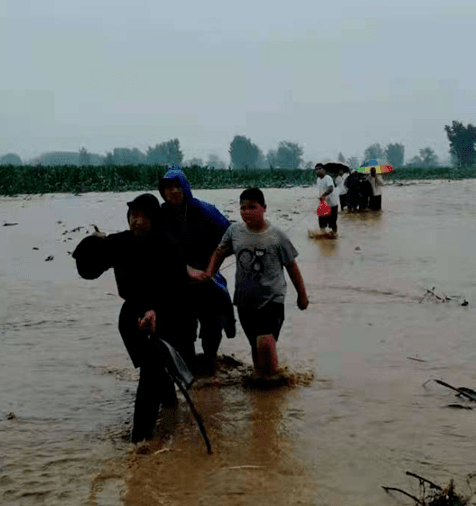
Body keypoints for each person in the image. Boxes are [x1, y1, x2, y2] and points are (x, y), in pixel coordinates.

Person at [72, 193, 192, 442]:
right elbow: (89, 270)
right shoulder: (118, 243)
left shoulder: (168, 246)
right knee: (156, 371)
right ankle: (169, 407)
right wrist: (89, 246)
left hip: (166, 314)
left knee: (151, 372)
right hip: (131, 316)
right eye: (133, 215)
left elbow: (178, 289)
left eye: (143, 216)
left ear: (154, 219)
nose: (137, 221)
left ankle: (141, 442)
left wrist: (155, 311)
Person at [202, 188, 309, 379]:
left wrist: (302, 294)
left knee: (265, 343)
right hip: (245, 301)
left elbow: (291, 266)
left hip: (272, 299)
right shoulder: (234, 231)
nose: (247, 212)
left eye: (252, 207)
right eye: (243, 208)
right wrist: (210, 273)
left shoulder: (277, 236)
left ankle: (272, 394)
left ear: (264, 208)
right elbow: (219, 252)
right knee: (256, 345)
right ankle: (262, 385)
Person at [158, 166, 235, 374]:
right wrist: (182, 269)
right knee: (182, 331)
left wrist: (210, 269)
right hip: (176, 283)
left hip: (206, 278)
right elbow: (153, 249)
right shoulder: (159, 216)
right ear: (162, 191)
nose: (173, 191)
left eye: (177, 186)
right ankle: (188, 368)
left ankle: (210, 361)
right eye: (168, 187)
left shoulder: (204, 211)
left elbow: (231, 239)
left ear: (185, 187)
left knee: (213, 323)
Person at [315, 163, 338, 233]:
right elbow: (320, 190)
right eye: (316, 169)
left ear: (324, 170)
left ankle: (334, 239)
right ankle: (323, 240)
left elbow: (330, 189)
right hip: (323, 205)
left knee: (332, 224)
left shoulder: (328, 178)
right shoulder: (318, 180)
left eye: (320, 169)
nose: (318, 171)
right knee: (322, 224)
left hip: (332, 205)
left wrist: (323, 195)